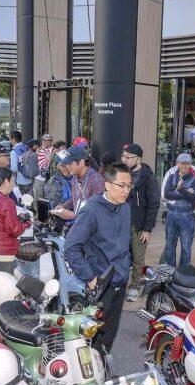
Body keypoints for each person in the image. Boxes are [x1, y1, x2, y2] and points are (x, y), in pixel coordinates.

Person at [63, 162, 133, 354]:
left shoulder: (125, 208)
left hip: (121, 280)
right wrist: (91, 279)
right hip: (101, 285)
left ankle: (102, 366)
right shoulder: (92, 210)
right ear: (107, 184)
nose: (126, 191)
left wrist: (127, 267)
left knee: (109, 336)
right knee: (94, 338)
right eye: (121, 185)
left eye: (129, 186)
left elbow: (123, 244)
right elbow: (71, 247)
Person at [121, 144, 160, 299]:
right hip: (122, 223)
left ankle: (134, 286)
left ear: (138, 159)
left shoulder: (148, 178)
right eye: (123, 156)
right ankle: (120, 285)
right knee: (121, 255)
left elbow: (153, 205)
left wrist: (147, 229)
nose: (125, 160)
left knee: (138, 258)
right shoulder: (122, 174)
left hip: (139, 226)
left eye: (128, 157)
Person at [161, 152, 195, 270]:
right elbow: (167, 194)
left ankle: (183, 272)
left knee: (186, 247)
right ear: (177, 164)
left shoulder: (194, 179)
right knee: (169, 245)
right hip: (171, 213)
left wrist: (180, 189)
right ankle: (170, 271)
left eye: (187, 164)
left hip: (186, 215)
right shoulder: (172, 176)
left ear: (191, 164)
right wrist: (184, 192)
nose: (185, 166)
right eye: (182, 163)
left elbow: (192, 198)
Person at [51, 146, 104, 224]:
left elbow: (100, 209)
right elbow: (74, 199)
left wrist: (74, 215)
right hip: (80, 225)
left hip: (92, 228)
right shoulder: (75, 178)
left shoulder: (96, 179)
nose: (67, 166)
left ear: (81, 162)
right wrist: (63, 206)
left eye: (69, 163)